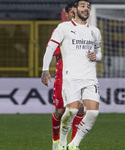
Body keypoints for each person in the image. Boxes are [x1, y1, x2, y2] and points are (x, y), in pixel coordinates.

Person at [41, 0, 102, 149]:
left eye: (88, 7)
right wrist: (45, 69)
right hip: (69, 77)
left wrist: (97, 57)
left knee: (92, 112)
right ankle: (60, 141)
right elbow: (50, 49)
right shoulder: (64, 28)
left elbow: (99, 52)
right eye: (82, 6)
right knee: (69, 111)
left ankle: (73, 145)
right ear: (75, 9)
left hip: (89, 78)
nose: (86, 9)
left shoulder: (95, 31)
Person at [41, 2, 84, 150]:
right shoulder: (61, 30)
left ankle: (73, 145)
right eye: (72, 13)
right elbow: (53, 50)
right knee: (60, 111)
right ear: (66, 14)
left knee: (80, 109)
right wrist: (45, 69)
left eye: (76, 13)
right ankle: (55, 141)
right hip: (63, 77)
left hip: (79, 76)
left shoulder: (85, 31)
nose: (75, 15)